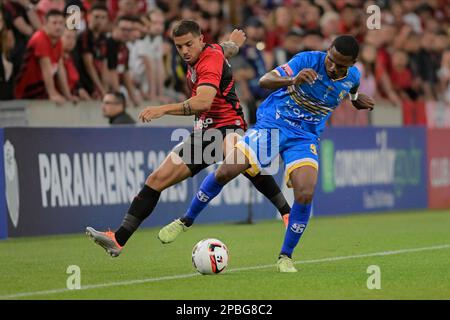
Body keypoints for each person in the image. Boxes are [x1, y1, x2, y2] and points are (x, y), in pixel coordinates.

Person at [158, 35, 375, 272]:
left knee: (305, 192)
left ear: (352, 64)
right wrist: (292, 79)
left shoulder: (353, 77)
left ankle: (286, 256)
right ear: (328, 52)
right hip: (274, 124)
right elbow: (265, 80)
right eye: (331, 60)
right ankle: (185, 220)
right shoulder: (307, 60)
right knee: (227, 170)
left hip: (304, 137)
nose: (332, 67)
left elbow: (351, 89)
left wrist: (355, 100)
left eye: (340, 65)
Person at [86, 20, 291, 257]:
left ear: (200, 40)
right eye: (179, 46)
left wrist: (163, 109)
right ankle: (118, 239)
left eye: (188, 44)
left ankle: (287, 212)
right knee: (156, 179)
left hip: (228, 125)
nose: (184, 51)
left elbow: (203, 102)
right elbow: (225, 49)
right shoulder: (209, 51)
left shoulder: (209, 60)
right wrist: (234, 43)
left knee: (244, 162)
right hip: (204, 132)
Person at [14, 9, 75, 104]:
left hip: (40, 88)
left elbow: (60, 69)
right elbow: (46, 68)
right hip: (26, 90)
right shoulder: (40, 38)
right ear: (45, 23)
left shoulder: (57, 41)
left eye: (61, 23)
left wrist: (68, 95)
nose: (58, 27)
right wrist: (52, 94)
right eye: (54, 23)